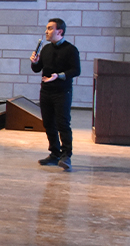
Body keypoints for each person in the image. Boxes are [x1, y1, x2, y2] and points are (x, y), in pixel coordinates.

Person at [30, 18, 81, 172]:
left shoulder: (70, 49)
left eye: (50, 28)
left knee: (63, 124)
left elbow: (76, 70)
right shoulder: (46, 49)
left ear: (60, 31)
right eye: (47, 28)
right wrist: (34, 61)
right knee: (48, 123)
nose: (46, 31)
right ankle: (54, 153)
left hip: (62, 92)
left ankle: (66, 156)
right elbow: (37, 69)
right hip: (46, 91)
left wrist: (58, 76)